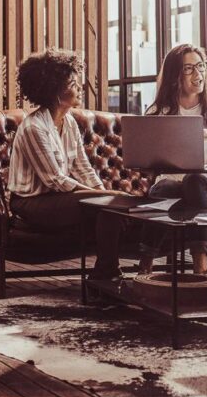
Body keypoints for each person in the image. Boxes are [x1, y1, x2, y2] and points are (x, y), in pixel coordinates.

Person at [7, 48, 127, 281]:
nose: (79, 87)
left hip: (56, 198)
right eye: (73, 84)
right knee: (108, 203)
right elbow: (55, 179)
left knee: (110, 205)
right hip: (30, 203)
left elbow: (82, 167)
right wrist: (103, 196)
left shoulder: (69, 121)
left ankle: (106, 272)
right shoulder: (34, 127)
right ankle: (107, 274)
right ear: (55, 92)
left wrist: (104, 194)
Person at [141, 43, 207, 276]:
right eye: (188, 69)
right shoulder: (160, 111)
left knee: (195, 180)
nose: (198, 74)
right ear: (174, 75)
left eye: (200, 66)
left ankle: (193, 261)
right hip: (171, 184)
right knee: (166, 188)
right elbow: (151, 163)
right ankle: (159, 261)